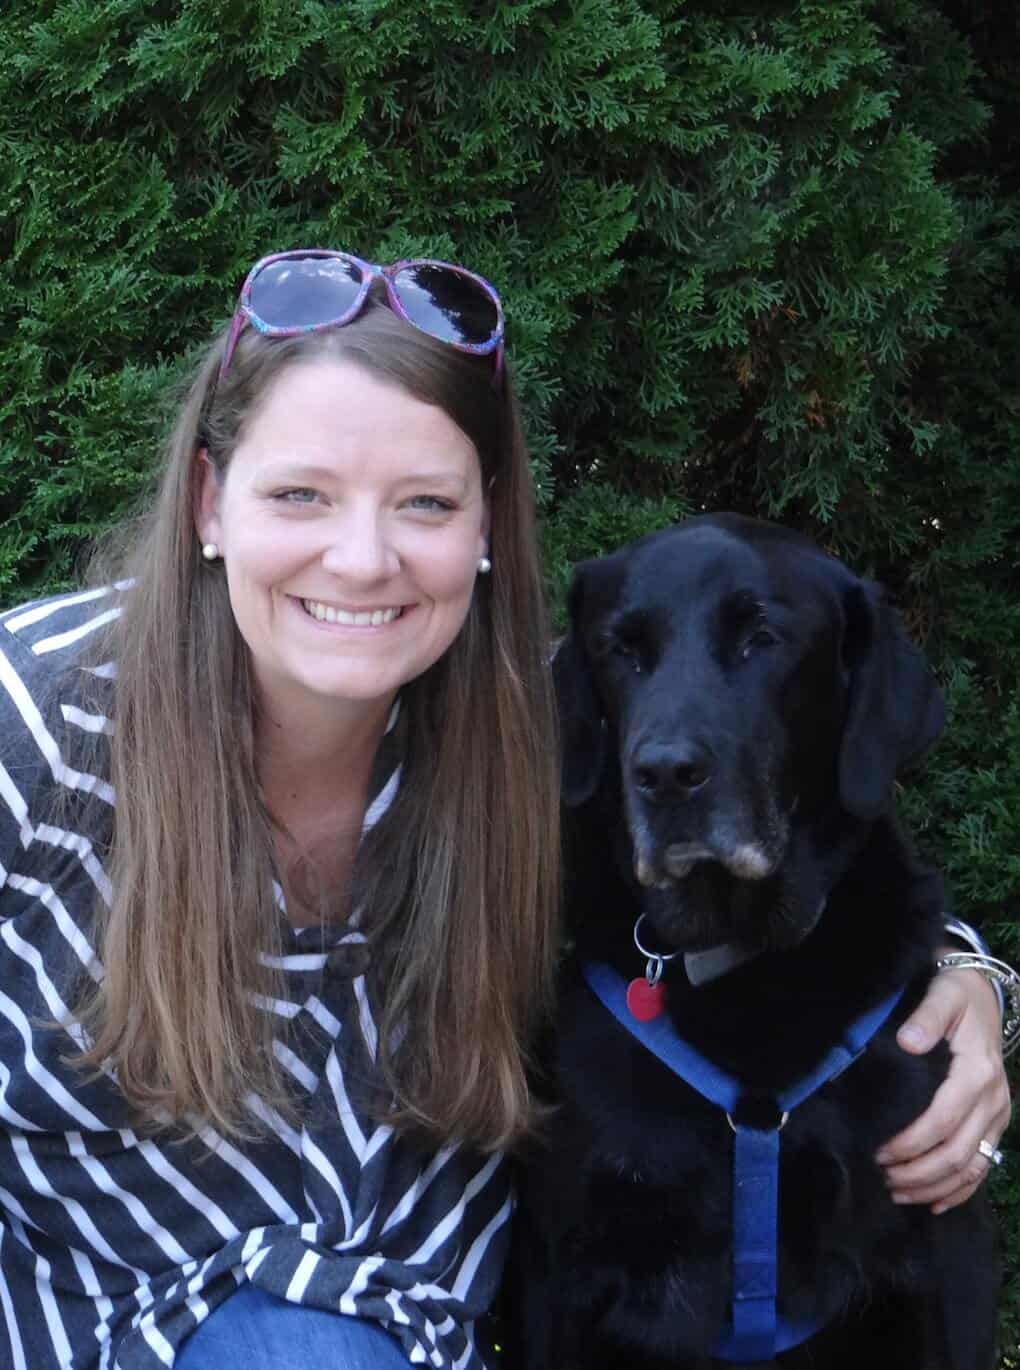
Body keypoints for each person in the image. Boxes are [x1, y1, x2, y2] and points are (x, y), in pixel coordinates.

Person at [0, 248, 1011, 1369]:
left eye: (425, 503)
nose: (362, 557)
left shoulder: (523, 745)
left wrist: (972, 981)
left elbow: (802, 877)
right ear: (210, 502)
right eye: (301, 494)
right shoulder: (32, 722)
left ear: (485, 527)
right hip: (101, 1316)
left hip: (403, 1323)